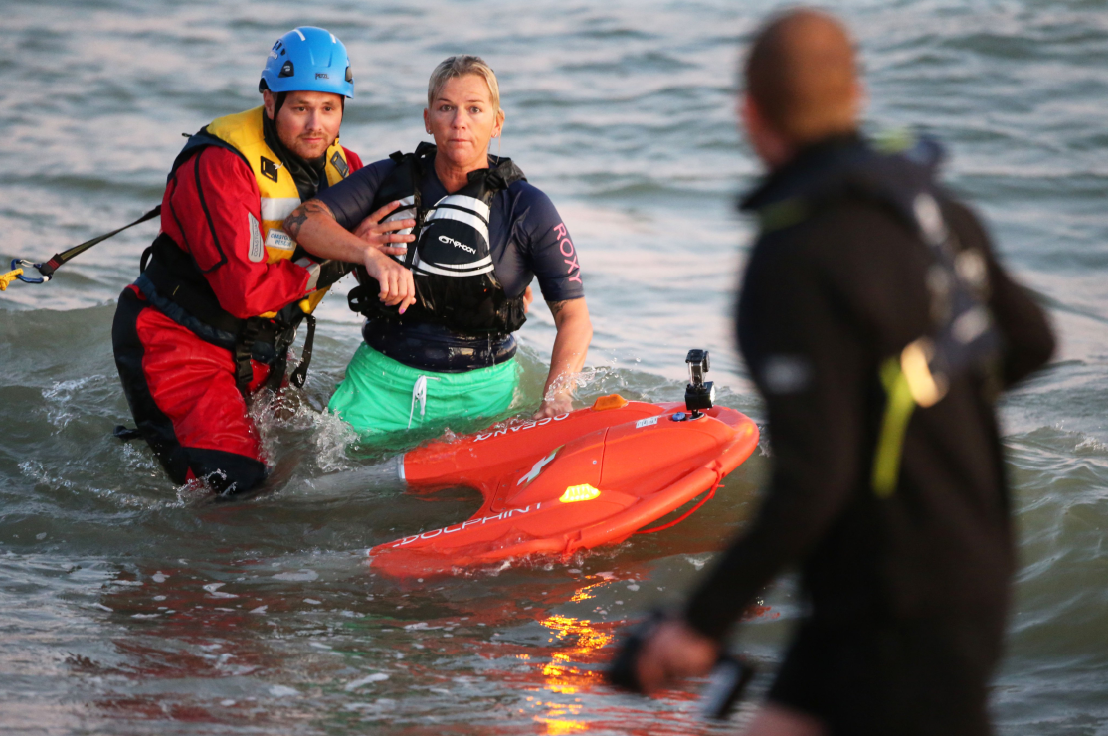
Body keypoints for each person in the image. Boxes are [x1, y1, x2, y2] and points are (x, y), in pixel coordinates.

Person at [627, 9, 1055, 735]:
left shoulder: (792, 261)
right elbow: (1032, 341)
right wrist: (925, 418)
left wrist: (701, 624)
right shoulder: (934, 211)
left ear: (750, 115)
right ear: (855, 95)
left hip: (897, 594)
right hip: (971, 565)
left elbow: (814, 481)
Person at [111, 27, 405, 496]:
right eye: (300, 108)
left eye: (329, 108)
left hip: (259, 354)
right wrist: (345, 254)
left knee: (314, 457)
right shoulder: (221, 166)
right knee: (239, 492)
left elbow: (391, 241)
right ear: (269, 102)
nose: (316, 125)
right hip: (180, 344)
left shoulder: (344, 165)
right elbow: (245, 293)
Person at [284, 55, 593, 437]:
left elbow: (574, 317)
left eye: (474, 109)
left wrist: (558, 395)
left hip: (484, 396)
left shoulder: (527, 207)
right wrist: (369, 255)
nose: (459, 121)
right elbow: (302, 221)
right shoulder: (388, 179)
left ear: (496, 122)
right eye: (446, 108)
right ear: (428, 120)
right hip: (379, 386)